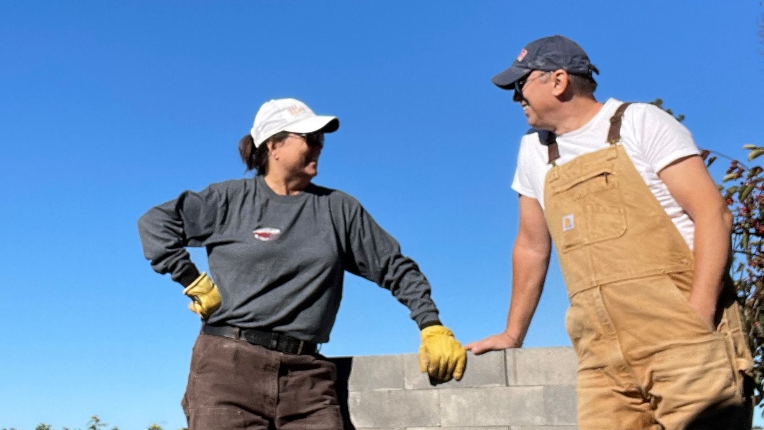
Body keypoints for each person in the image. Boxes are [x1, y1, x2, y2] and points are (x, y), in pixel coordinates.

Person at [465, 35, 754, 430]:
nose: (517, 98)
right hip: (601, 361)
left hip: (683, 343)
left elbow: (712, 214)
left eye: (521, 85)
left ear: (558, 80)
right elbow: (532, 246)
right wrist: (513, 333)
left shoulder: (639, 122)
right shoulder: (534, 151)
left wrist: (697, 317)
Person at [138, 98, 466, 430]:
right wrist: (190, 279)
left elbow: (395, 267)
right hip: (227, 368)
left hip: (307, 376)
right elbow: (154, 224)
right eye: (308, 137)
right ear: (273, 145)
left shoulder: (338, 209)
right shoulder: (228, 199)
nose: (318, 146)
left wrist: (431, 325)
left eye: (321, 139)